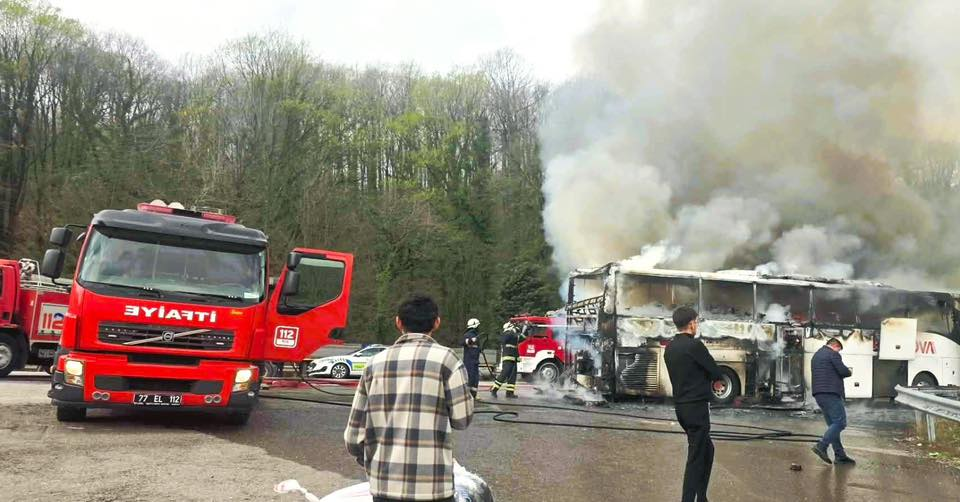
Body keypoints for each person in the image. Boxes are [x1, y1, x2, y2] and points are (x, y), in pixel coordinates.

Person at [344, 294, 475, 502]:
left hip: (385, 487)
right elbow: (462, 419)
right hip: (434, 489)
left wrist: (371, 460)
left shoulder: (374, 364)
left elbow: (353, 437)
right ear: (436, 322)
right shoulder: (448, 360)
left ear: (398, 322)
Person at [664, 306, 722, 502]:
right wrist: (713, 378)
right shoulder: (694, 346)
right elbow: (714, 371)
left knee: (707, 450)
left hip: (681, 408)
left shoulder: (670, 347)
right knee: (696, 458)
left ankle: (702, 496)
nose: (697, 325)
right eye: (696, 321)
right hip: (696, 408)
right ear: (691, 324)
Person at [810, 337, 855, 465]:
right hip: (831, 393)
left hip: (819, 394)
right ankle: (821, 446)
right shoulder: (833, 354)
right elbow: (842, 371)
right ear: (835, 346)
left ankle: (840, 455)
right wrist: (849, 371)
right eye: (839, 349)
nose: (838, 352)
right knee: (840, 423)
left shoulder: (817, 355)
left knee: (833, 425)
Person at [490, 321, 523, 398]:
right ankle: (494, 389)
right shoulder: (506, 334)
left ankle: (510, 393)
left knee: (512, 376)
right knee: (504, 374)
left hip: (514, 358)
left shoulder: (513, 336)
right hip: (508, 357)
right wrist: (513, 331)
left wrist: (525, 329)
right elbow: (505, 339)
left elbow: (522, 338)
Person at [463, 318, 482, 398]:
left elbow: (477, 347)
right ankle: (467, 396)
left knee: (475, 380)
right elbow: (462, 342)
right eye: (478, 326)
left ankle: (473, 396)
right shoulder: (468, 334)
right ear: (474, 326)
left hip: (475, 361)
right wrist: (471, 340)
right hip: (469, 361)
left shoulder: (476, 336)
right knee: (470, 379)